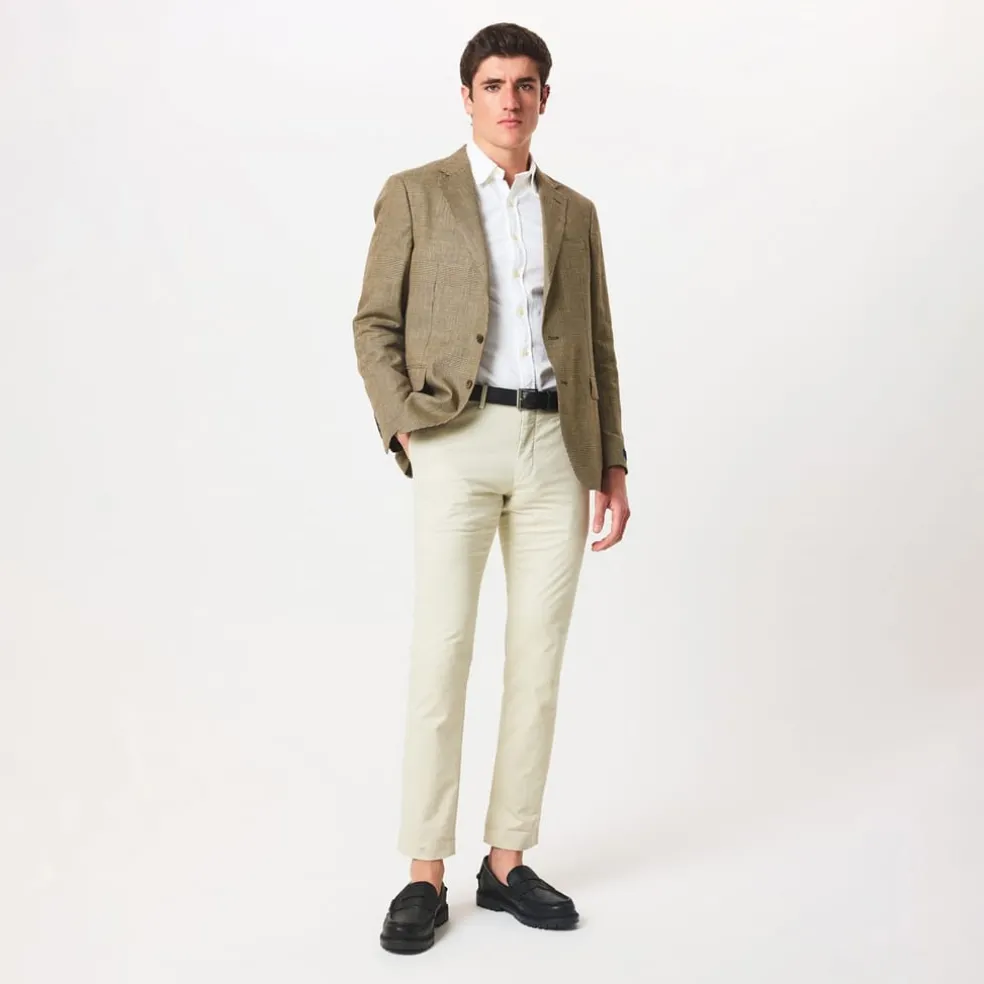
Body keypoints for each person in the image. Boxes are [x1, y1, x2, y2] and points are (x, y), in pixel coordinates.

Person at [352, 22, 630, 953]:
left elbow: (597, 345)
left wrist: (613, 463)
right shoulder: (416, 193)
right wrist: (407, 425)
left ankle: (506, 863)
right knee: (443, 651)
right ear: (467, 96)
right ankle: (425, 872)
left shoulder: (576, 213)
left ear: (545, 97)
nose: (510, 100)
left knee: (537, 661)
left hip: (557, 448)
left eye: (526, 85)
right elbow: (373, 323)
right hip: (457, 441)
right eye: (493, 84)